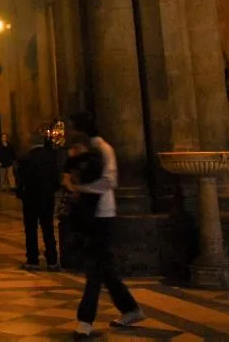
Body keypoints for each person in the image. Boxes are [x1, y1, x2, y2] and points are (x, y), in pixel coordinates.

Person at [68, 114, 144, 339]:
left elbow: (110, 181)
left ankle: (84, 322)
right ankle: (131, 309)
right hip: (89, 214)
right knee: (104, 268)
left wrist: (81, 189)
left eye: (72, 128)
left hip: (102, 213)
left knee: (94, 269)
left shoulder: (104, 149)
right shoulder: (82, 151)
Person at [17, 133, 61, 271]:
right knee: (48, 228)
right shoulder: (51, 157)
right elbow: (56, 178)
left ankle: (33, 260)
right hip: (47, 197)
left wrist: (21, 194)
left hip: (30, 198)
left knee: (31, 229)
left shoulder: (26, 159)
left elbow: (21, 180)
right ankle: (52, 260)